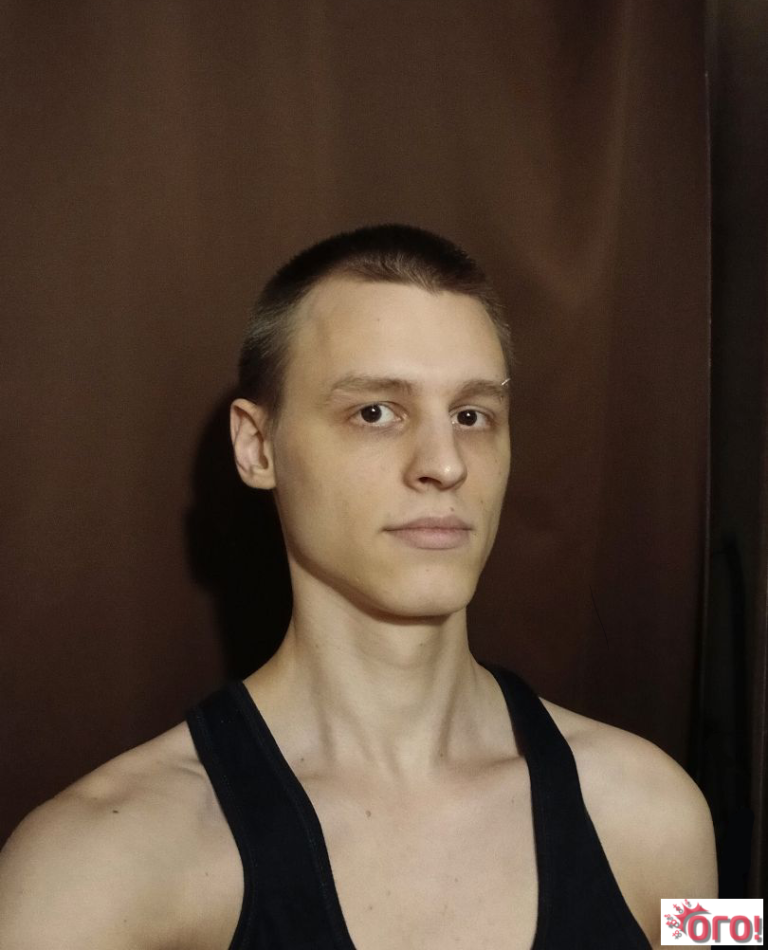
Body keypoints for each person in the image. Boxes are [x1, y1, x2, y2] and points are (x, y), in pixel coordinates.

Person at [0, 225, 716, 949]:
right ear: (256, 446)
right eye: (375, 412)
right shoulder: (87, 874)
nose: (445, 464)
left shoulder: (663, 812)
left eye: (471, 416)